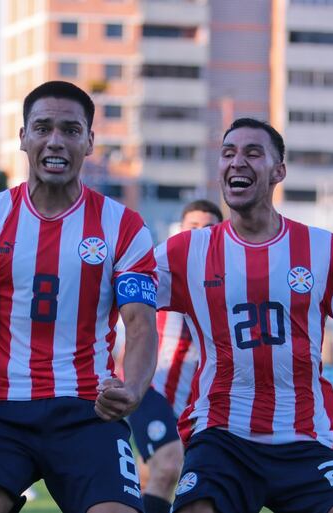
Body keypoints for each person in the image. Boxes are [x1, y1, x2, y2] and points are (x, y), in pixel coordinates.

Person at [156, 117, 333, 513]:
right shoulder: (186, 252)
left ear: (278, 171)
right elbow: (114, 293)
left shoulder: (322, 249)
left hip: (305, 438)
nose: (237, 162)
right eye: (228, 153)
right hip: (221, 434)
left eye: (253, 153)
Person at [0, 80, 158, 513]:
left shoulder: (124, 226)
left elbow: (140, 325)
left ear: (90, 141)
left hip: (86, 411)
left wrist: (131, 389)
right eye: (42, 127)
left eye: (70, 130)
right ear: (23, 137)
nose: (55, 141)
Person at [128, 200, 222, 513]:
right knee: (169, 466)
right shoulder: (162, 268)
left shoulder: (229, 280)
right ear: (180, 231)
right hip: (151, 389)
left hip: (194, 403)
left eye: (209, 228)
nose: (200, 234)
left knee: (153, 476)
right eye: (193, 227)